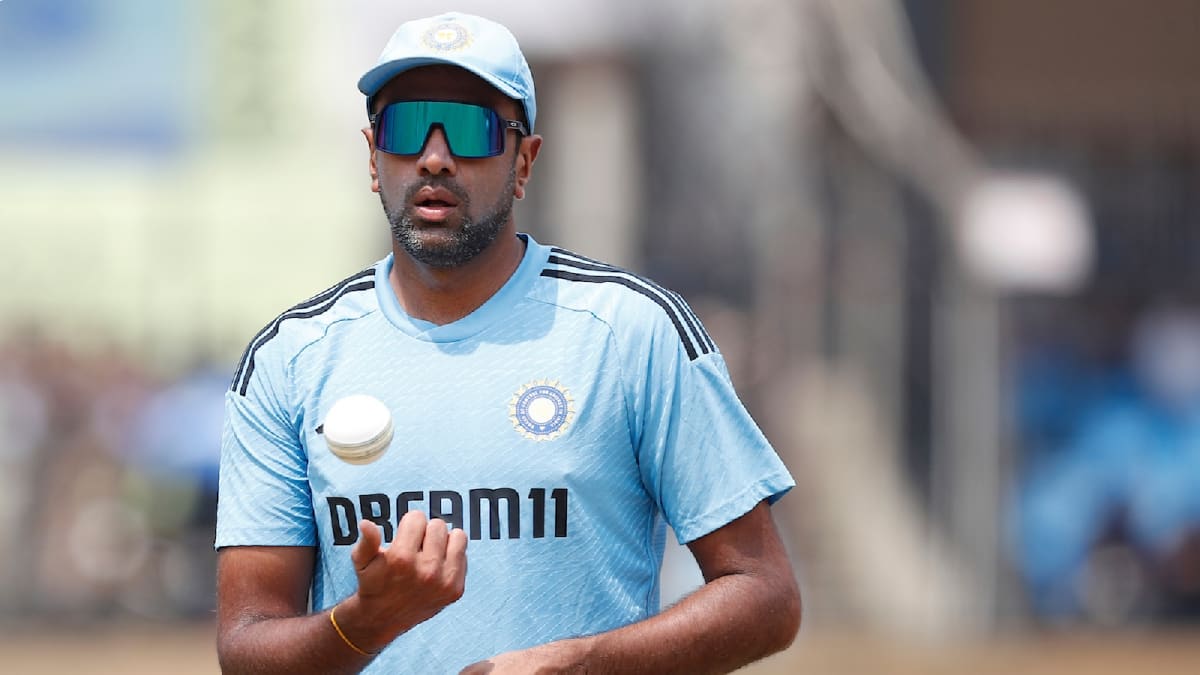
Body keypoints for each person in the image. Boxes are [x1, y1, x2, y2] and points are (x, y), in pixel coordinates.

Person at [215, 11, 800, 674]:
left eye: (470, 129)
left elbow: (766, 595)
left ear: (524, 161)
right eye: (406, 127)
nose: (435, 157)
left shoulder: (630, 332)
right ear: (374, 157)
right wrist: (363, 623)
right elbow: (246, 649)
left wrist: (581, 665)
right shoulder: (290, 359)